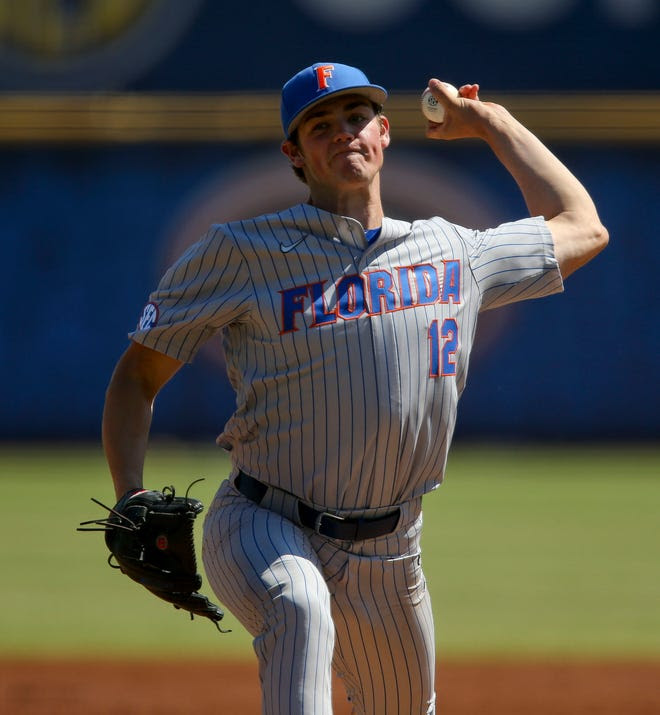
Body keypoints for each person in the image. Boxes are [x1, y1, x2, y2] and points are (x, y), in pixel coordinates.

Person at [102, 62, 608, 714]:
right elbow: (138, 376)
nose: (342, 132)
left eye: (355, 117)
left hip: (390, 549)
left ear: (385, 133)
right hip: (263, 519)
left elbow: (583, 226)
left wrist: (491, 123)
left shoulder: (452, 251)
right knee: (299, 605)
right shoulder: (239, 252)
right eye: (320, 125)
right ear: (294, 153)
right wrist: (129, 492)